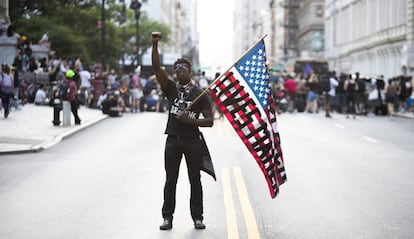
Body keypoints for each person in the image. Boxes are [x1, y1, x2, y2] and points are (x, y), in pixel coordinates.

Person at [151, 32, 214, 230]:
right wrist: (154, 45)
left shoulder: (200, 94)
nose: (180, 71)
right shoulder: (170, 88)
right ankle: (167, 217)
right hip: (173, 140)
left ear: (190, 71)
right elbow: (156, 68)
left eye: (183, 69)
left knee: (195, 180)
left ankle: (198, 217)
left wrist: (191, 121)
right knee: (171, 180)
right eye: (177, 69)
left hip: (193, 142)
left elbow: (210, 121)